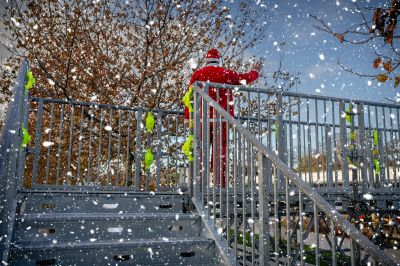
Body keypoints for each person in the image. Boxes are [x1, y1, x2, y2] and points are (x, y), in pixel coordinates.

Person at [184, 48, 262, 187]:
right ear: (218, 60)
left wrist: (187, 116)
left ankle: (199, 185)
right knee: (220, 152)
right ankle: (220, 185)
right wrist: (255, 72)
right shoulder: (226, 73)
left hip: (202, 118)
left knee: (200, 151)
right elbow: (244, 79)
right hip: (222, 118)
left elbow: (189, 97)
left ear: (206, 60)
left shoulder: (198, 74)